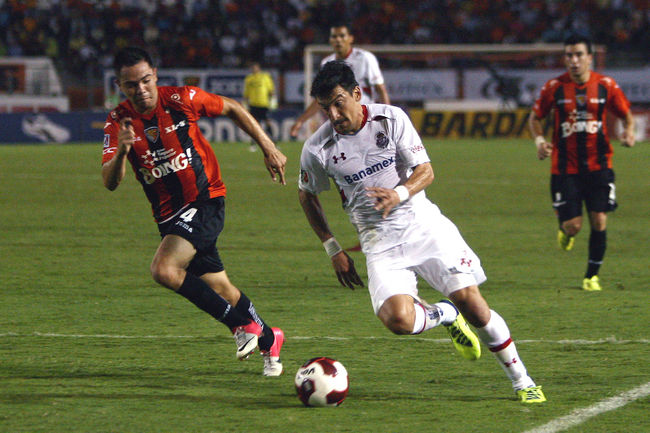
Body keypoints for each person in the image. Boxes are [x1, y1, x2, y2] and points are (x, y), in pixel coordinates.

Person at [298, 60, 546, 404]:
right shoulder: (317, 148)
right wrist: (332, 248)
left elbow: (426, 171)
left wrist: (398, 194)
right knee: (398, 320)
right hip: (377, 241)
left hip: (422, 225)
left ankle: (522, 380)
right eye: (326, 108)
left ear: (356, 93)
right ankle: (444, 314)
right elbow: (307, 195)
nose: (334, 115)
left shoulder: (391, 119)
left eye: (339, 103)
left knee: (474, 306)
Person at [102, 46, 287, 376]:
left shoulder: (181, 99)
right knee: (221, 288)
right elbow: (110, 182)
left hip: (204, 201)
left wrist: (268, 146)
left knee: (163, 268)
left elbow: (233, 107)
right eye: (131, 85)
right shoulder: (118, 122)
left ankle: (240, 326)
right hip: (168, 217)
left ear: (155, 75)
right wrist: (122, 152)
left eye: (145, 80)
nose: (140, 89)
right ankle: (270, 339)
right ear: (120, 86)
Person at [528, 34, 635, 292]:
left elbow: (626, 115)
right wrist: (540, 141)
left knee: (599, 220)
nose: (573, 60)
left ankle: (591, 276)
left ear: (589, 57)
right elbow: (535, 117)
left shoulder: (606, 85)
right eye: (569, 55)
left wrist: (629, 132)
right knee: (573, 226)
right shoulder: (554, 87)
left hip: (600, 165)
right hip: (565, 168)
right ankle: (565, 230)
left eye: (578, 55)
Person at [290, 22, 390, 140]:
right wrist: (301, 121)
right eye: (334, 36)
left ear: (351, 38)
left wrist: (387, 117)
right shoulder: (327, 63)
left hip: (364, 120)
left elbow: (380, 89)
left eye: (342, 36)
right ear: (330, 40)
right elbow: (321, 99)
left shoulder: (365, 58)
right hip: (341, 123)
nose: (338, 40)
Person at [243, 62, 276, 152]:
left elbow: (271, 90)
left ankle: (274, 143)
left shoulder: (265, 77)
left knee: (268, 123)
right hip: (253, 105)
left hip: (264, 104)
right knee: (254, 125)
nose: (254, 69)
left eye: (255, 67)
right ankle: (253, 144)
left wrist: (273, 101)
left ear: (259, 68)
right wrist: (245, 103)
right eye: (252, 68)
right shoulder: (249, 79)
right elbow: (246, 92)